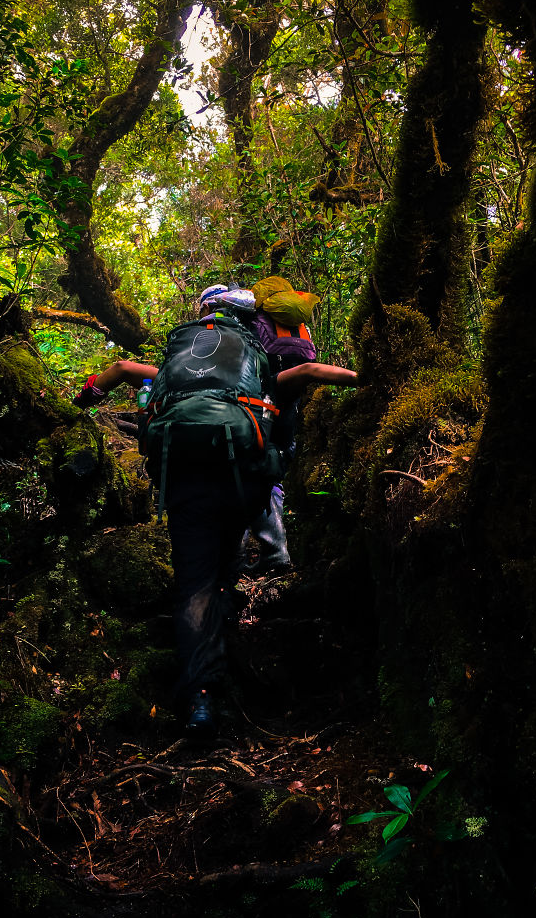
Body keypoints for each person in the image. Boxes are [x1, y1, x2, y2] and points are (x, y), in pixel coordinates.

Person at [72, 289, 357, 736]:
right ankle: (225, 632)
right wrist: (371, 379)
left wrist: (80, 402)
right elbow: (307, 371)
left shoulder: (179, 365)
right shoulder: (255, 364)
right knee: (225, 559)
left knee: (194, 583)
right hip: (240, 482)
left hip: (184, 479)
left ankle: (200, 699)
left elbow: (123, 369)